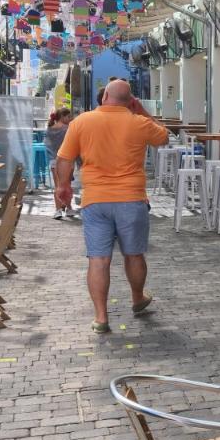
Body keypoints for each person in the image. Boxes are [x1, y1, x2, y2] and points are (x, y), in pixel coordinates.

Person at [54, 79, 169, 333]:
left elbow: (64, 158)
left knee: (98, 260)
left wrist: (63, 186)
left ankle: (101, 317)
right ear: (130, 101)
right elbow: (163, 137)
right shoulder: (138, 123)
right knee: (134, 254)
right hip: (131, 199)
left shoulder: (82, 122)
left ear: (105, 95)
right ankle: (137, 298)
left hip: (95, 200)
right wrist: (142, 111)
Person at [44, 108, 74, 219]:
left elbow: (47, 146)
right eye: (68, 117)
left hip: (54, 161)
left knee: (58, 186)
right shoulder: (68, 129)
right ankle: (69, 208)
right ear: (62, 117)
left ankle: (58, 210)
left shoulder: (49, 129)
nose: (70, 119)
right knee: (67, 185)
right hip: (68, 161)